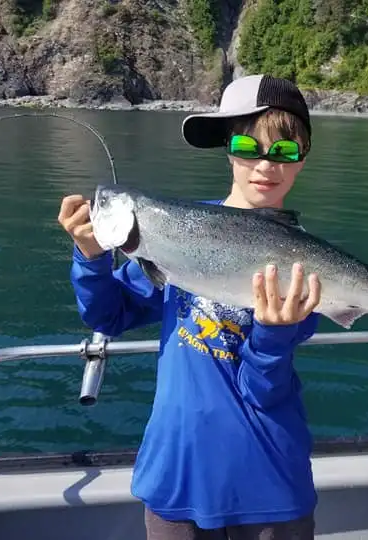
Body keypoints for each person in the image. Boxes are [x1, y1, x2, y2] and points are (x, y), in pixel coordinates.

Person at [57, 74, 324, 540]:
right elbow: (108, 316)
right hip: (175, 477)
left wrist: (274, 335)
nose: (265, 164)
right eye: (247, 146)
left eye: (283, 151)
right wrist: (92, 258)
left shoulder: (305, 267)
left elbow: (263, 391)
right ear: (227, 149)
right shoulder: (175, 234)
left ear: (303, 159)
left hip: (269, 487)